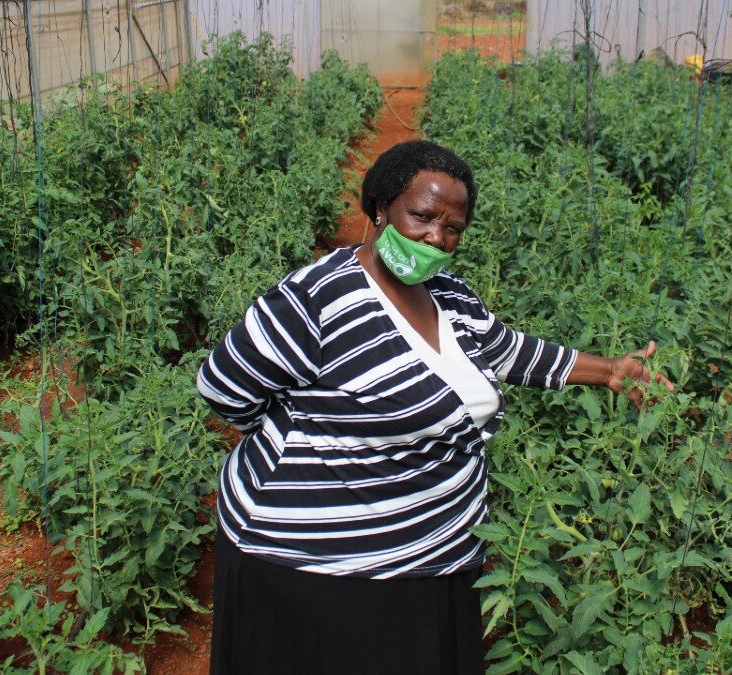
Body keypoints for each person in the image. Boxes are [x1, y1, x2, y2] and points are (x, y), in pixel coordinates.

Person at [196, 140, 674, 675]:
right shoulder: (314, 300)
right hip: (318, 571)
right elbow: (223, 388)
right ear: (380, 209)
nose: (435, 238)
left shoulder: (450, 294)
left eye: (453, 229)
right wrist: (304, 437)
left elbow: (507, 351)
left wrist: (608, 370)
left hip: (438, 554)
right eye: (422, 217)